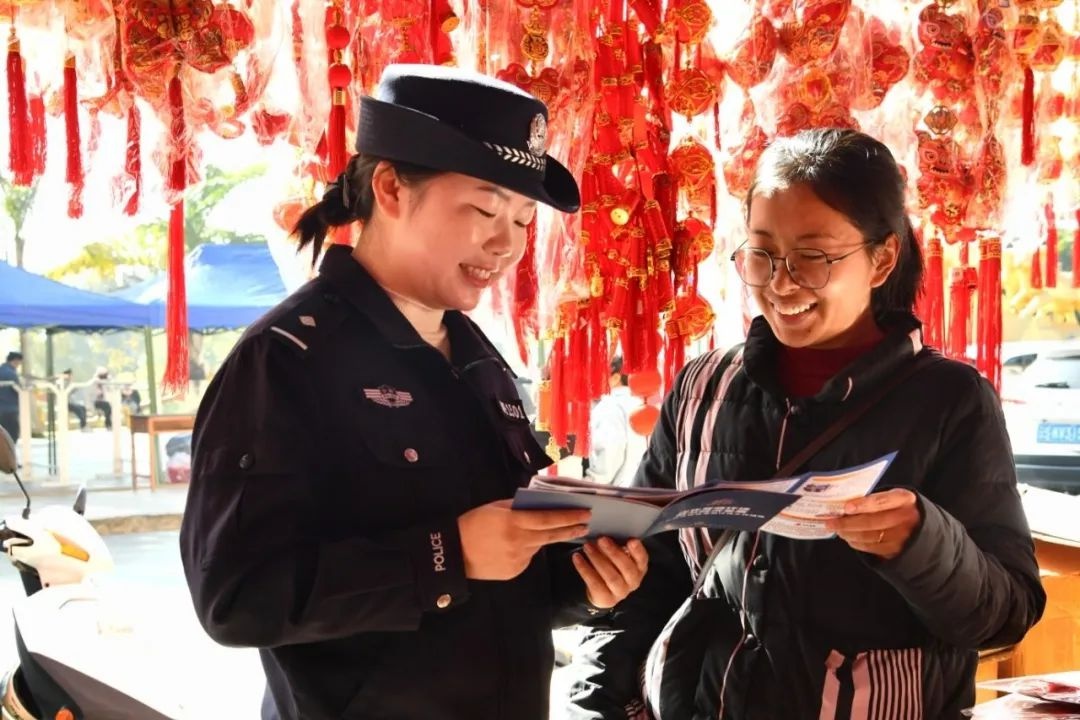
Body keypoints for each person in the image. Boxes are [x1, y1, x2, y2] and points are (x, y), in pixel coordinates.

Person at [179, 64, 649, 720]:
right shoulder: (285, 361)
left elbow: (500, 574)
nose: (506, 245)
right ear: (392, 188)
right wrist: (445, 555)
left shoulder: (480, 357)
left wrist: (583, 581)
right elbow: (234, 597)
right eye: (485, 210)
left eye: (521, 220)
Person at [568, 128, 1046, 719]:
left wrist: (922, 542)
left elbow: (1007, 616)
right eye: (762, 253)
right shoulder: (703, 388)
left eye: (813, 257)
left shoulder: (949, 400)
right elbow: (650, 585)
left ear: (883, 258)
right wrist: (606, 604)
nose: (781, 283)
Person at [586, 356, 648, 486]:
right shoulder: (640, 404)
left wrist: (593, 480)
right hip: (640, 485)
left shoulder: (609, 406)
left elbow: (610, 450)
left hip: (617, 490)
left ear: (615, 378)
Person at [0, 352, 22, 446]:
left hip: (2, 408)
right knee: (12, 435)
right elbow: (19, 389)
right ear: (16, 360)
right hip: (10, 409)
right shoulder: (11, 373)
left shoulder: (1, 370)